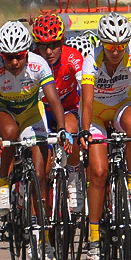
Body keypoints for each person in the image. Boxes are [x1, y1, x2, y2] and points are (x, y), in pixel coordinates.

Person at [81, 12, 131, 260]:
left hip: (122, 106)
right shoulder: (92, 60)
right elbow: (87, 102)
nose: (116, 51)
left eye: (121, 46)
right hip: (97, 114)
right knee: (99, 173)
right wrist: (84, 132)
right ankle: (93, 240)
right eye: (111, 46)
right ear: (102, 43)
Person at [0, 21, 66, 222]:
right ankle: (2, 182)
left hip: (30, 114)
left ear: (27, 53)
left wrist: (62, 128)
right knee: (10, 131)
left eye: (19, 56)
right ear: (1, 55)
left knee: (40, 175)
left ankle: (42, 236)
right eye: (8, 57)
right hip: (4, 113)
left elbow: (54, 100)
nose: (14, 63)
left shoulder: (39, 64)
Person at [31, 12, 86, 216]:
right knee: (43, 167)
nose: (48, 51)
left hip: (68, 108)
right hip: (41, 110)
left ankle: (72, 180)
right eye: (43, 46)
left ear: (62, 41)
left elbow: (84, 88)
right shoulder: (33, 60)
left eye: (54, 45)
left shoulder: (73, 57)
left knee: (72, 130)